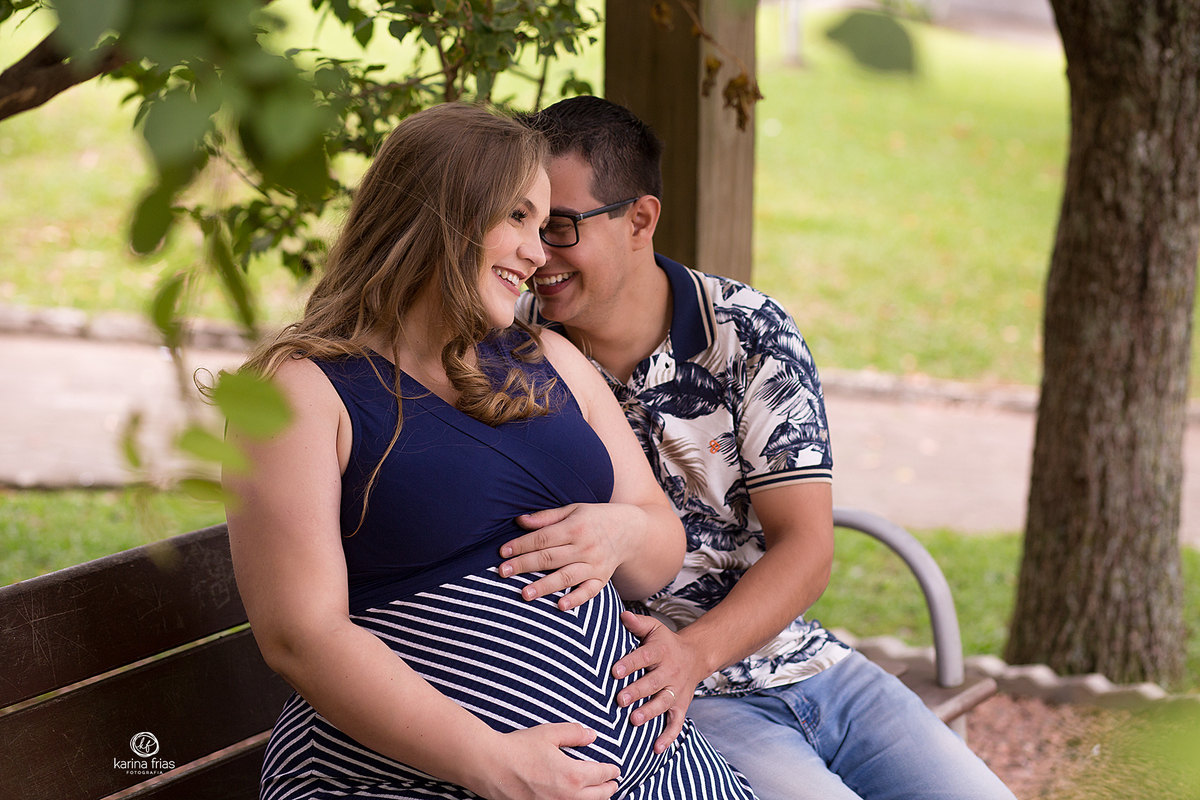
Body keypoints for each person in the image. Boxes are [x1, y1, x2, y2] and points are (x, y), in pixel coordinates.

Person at [224, 102, 759, 800]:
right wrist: (492, 762)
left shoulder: (550, 359)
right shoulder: (301, 392)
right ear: (441, 210)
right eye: (517, 219)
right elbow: (301, 635)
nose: (538, 254)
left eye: (544, 227)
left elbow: (657, 548)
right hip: (423, 783)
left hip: (659, 771)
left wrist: (622, 529)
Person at [508, 96, 1017, 800]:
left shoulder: (748, 331)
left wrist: (697, 651)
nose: (535, 254)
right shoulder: (509, 357)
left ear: (640, 220)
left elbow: (806, 546)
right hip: (664, 702)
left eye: (559, 227)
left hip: (808, 665)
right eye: (521, 222)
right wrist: (679, 663)